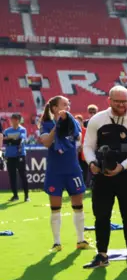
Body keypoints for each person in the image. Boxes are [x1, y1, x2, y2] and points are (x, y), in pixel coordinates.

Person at [82, 86, 127, 269]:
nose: (121, 105)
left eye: (125, 101)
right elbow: (87, 146)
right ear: (109, 100)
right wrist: (92, 163)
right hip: (102, 176)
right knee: (101, 215)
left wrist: (122, 166)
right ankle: (102, 255)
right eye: (117, 101)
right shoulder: (97, 119)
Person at [39, 97, 89, 251]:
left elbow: (79, 138)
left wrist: (66, 123)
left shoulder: (73, 123)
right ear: (54, 108)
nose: (67, 107)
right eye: (64, 105)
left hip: (73, 169)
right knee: (55, 208)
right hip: (55, 171)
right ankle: (56, 242)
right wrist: (57, 126)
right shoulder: (46, 124)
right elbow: (46, 142)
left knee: (78, 206)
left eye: (68, 104)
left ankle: (81, 240)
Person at [1, 113, 29, 201]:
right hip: (9, 156)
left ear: (18, 120)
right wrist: (13, 140)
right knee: (12, 176)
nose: (13, 121)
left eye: (15, 119)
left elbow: (20, 141)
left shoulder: (22, 129)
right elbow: (4, 141)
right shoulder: (7, 131)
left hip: (20, 155)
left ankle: (26, 196)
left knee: (23, 175)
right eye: (12, 119)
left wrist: (10, 141)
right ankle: (15, 195)